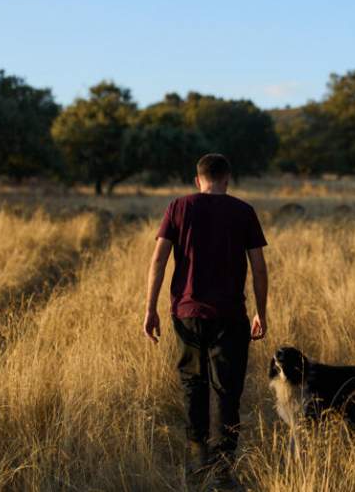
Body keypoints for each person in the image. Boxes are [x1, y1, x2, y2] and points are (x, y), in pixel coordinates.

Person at [143, 153, 268, 488]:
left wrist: (150, 308)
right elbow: (258, 267)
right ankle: (223, 471)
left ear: (197, 180)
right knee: (227, 392)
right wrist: (261, 311)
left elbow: (158, 260)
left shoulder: (178, 207)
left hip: (186, 316)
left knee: (192, 387)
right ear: (227, 178)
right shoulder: (243, 211)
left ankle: (198, 464)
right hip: (230, 317)